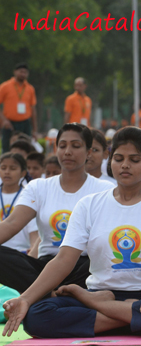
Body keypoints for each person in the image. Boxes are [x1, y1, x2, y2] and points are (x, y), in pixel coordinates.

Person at [2, 126, 141, 338]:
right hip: (102, 291)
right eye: (118, 158)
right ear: (110, 162)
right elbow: (64, 260)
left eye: (134, 160)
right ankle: (133, 321)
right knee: (37, 316)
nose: (125, 165)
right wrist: (25, 299)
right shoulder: (89, 204)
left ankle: (107, 313)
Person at [0, 123, 114, 294]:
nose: (68, 151)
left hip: (84, 267)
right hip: (43, 267)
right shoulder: (38, 187)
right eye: (62, 146)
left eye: (75, 146)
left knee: (102, 262)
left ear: (89, 152)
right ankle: (48, 293)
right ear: (56, 149)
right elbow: (11, 223)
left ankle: (47, 294)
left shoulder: (104, 189)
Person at [0, 153, 38, 253]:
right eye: (3, 168)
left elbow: (34, 233)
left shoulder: (29, 196)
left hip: (21, 253)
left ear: (23, 173)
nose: (7, 172)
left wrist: (33, 250)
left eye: (12, 168)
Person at [0, 63, 38, 153]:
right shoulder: (5, 86)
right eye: (21, 71)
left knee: (26, 148)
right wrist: (4, 120)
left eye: (25, 72)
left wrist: (35, 130)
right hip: (9, 123)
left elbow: (33, 109)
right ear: (15, 72)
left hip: (25, 123)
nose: (23, 74)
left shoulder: (30, 88)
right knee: (7, 148)